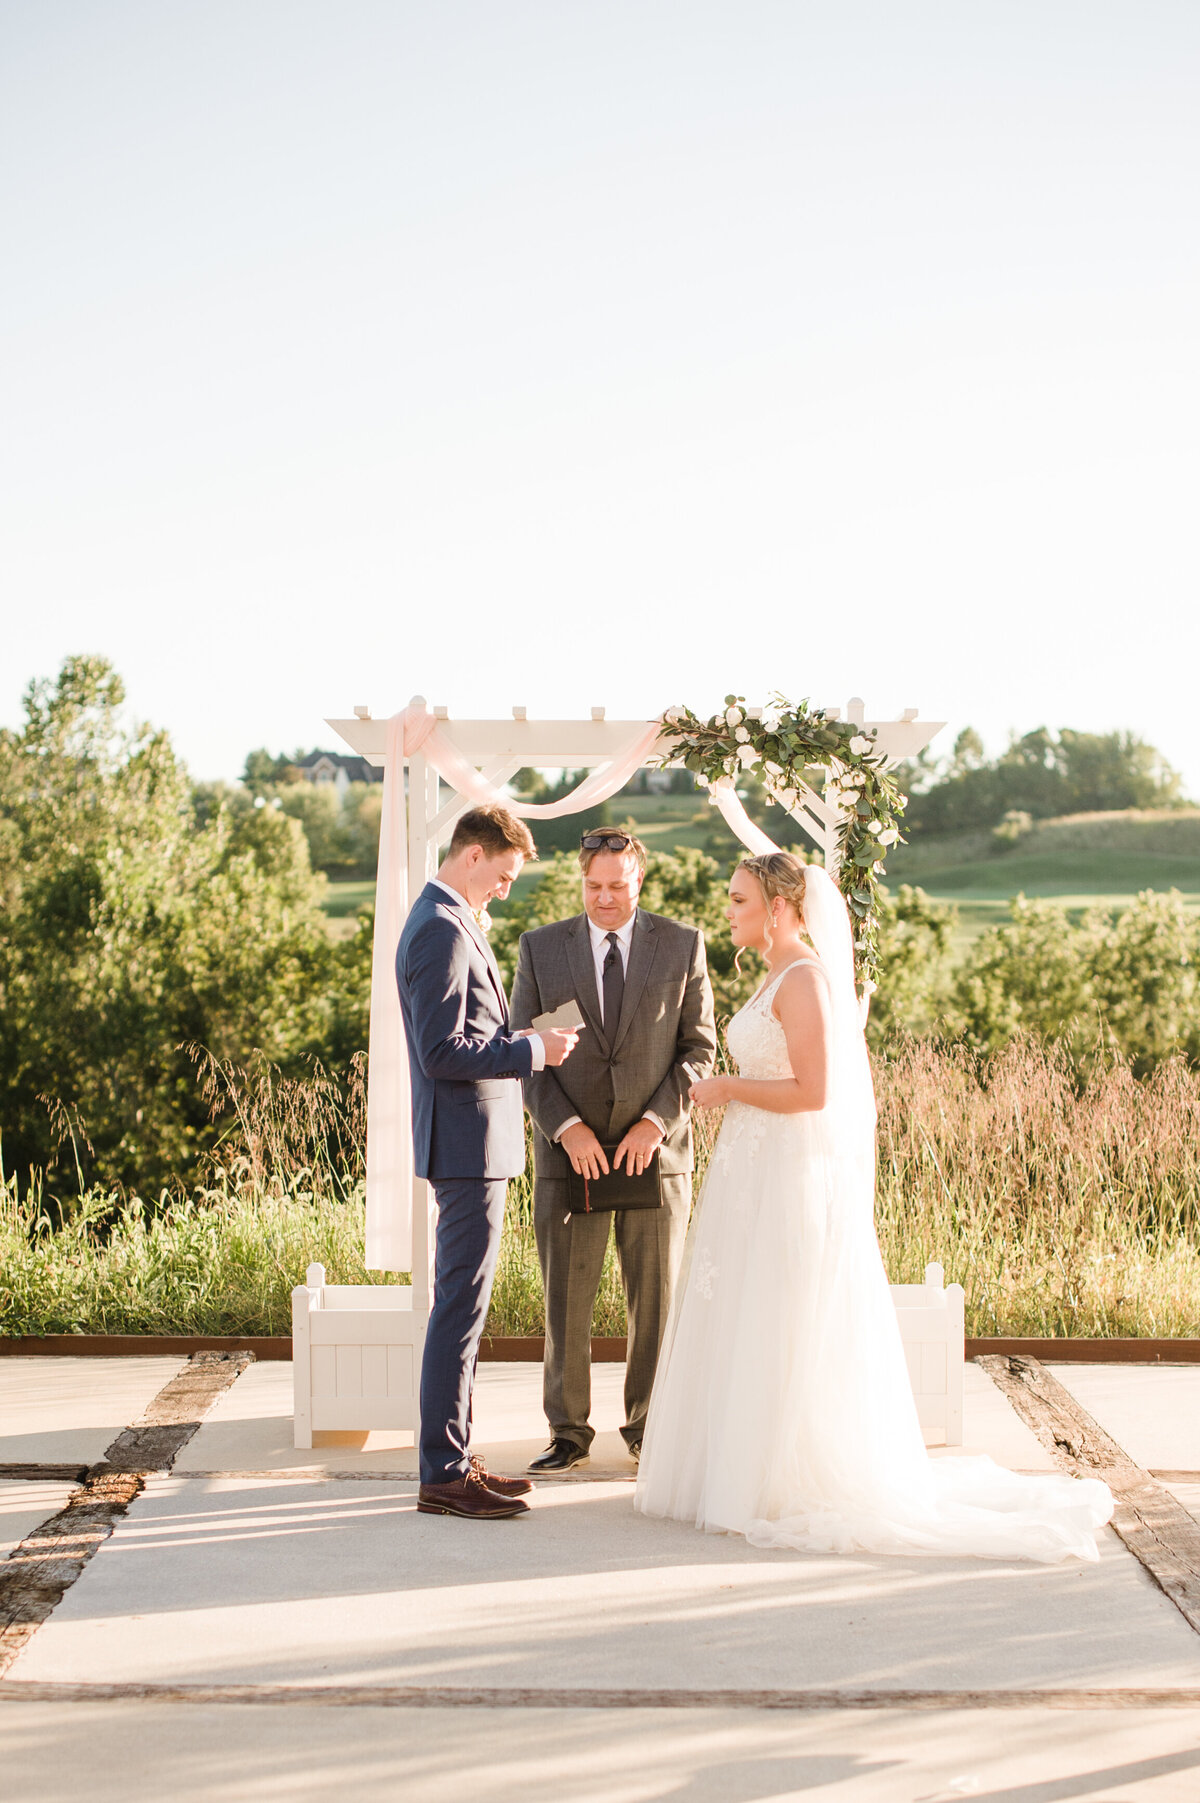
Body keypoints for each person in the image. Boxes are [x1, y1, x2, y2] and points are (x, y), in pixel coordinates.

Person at [635, 851, 1114, 1562]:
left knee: (779, 1314)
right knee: (746, 1311)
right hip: (752, 1171)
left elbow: (813, 1093)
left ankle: (773, 1475)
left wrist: (729, 1088)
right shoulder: (774, 972)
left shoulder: (803, 979)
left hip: (785, 1171)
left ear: (778, 905)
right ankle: (731, 1470)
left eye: (739, 900)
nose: (728, 910)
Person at [511, 830, 717, 1471]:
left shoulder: (681, 945)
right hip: (567, 1158)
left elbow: (699, 1051)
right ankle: (568, 1432)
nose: (605, 898)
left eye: (618, 886)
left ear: (640, 882)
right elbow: (525, 1054)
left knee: (654, 1301)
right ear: (581, 881)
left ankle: (649, 1431)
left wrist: (655, 1124)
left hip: (657, 1157)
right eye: (594, 886)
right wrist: (566, 1128)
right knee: (566, 1303)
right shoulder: (541, 950)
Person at [396, 803, 579, 1520]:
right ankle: (442, 1471)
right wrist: (532, 1050)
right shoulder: (439, 928)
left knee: (466, 1308)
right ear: (473, 855)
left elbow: (469, 1032)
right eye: (502, 874)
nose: (505, 887)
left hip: (479, 1143)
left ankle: (456, 1456)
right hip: (465, 1145)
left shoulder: (453, 920)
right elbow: (441, 1052)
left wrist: (524, 1036)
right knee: (458, 1309)